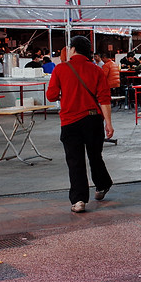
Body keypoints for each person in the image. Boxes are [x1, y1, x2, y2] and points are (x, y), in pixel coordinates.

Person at [45, 35, 114, 213]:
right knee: (95, 156)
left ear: (73, 49)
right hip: (93, 120)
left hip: (69, 121)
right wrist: (109, 123)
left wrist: (64, 94)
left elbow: (51, 96)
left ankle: (79, 200)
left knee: (75, 160)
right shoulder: (97, 70)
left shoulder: (60, 69)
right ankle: (102, 185)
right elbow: (104, 99)